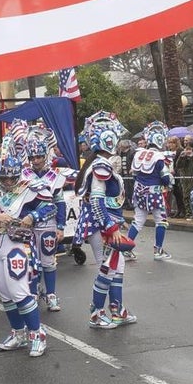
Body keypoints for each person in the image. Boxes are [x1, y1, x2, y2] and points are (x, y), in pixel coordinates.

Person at [0, 155, 54, 357]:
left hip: (17, 244)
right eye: (5, 178)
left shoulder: (29, 187)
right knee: (4, 293)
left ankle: (37, 335)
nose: (9, 182)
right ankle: (18, 334)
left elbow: (50, 205)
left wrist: (32, 216)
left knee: (19, 291)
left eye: (12, 178)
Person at [75, 111, 137, 329]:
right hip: (100, 224)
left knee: (117, 267)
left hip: (106, 222)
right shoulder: (100, 166)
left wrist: (118, 222)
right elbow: (97, 202)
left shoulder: (101, 163)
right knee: (107, 267)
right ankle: (96, 313)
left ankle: (117, 310)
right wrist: (111, 227)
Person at [26, 134, 67, 311]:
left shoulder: (54, 176)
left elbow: (60, 201)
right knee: (31, 262)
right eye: (32, 157)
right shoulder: (23, 175)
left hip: (48, 224)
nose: (36, 160)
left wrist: (60, 226)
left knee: (48, 262)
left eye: (39, 157)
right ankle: (33, 292)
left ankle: (51, 294)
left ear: (45, 156)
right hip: (28, 225)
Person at [127, 121, 174, 261]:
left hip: (139, 192)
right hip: (154, 193)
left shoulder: (138, 154)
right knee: (161, 221)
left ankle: (126, 249)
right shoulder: (159, 157)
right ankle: (158, 250)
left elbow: (134, 174)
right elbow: (165, 177)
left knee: (138, 221)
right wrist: (169, 182)